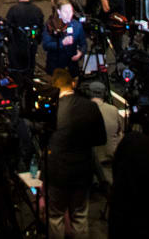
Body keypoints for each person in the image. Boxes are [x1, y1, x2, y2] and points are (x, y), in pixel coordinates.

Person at [42, 68, 104, 238]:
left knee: (55, 217)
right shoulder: (90, 106)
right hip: (82, 171)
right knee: (80, 216)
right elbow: (100, 139)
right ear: (73, 84)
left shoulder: (51, 110)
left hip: (57, 173)